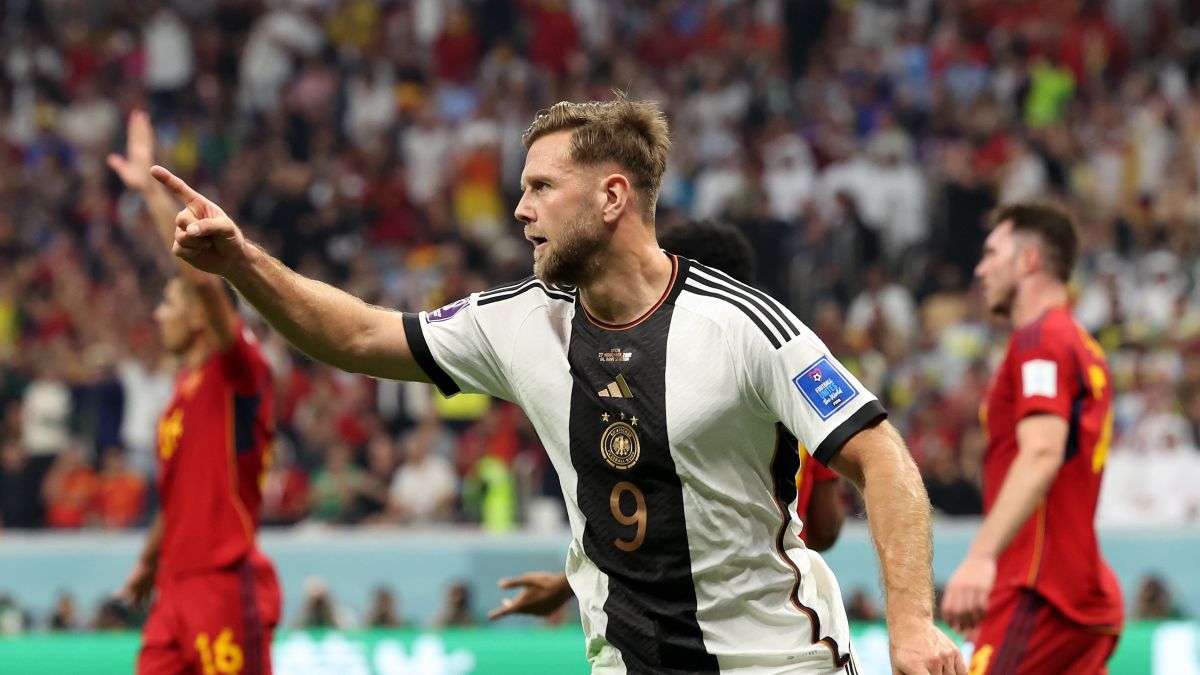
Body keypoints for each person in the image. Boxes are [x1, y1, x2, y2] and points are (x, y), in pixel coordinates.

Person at [151, 96, 963, 674]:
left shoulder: (746, 324)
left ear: (613, 196)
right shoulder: (519, 320)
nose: (518, 208)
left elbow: (884, 459)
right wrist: (242, 263)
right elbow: (360, 333)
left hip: (772, 663)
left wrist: (912, 623)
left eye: (541, 186)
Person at [488, 218, 847, 625]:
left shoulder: (659, 400)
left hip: (679, 623)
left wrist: (562, 586)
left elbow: (640, 534)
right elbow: (827, 527)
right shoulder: (786, 374)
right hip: (786, 614)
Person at [109, 110, 281, 675]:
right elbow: (178, 496)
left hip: (223, 583)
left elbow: (201, 280)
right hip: (173, 588)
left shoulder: (239, 371)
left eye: (170, 303)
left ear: (202, 319)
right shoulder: (180, 394)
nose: (160, 314)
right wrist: (148, 561)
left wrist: (154, 201)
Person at [940, 203, 1123, 673]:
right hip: (1075, 592)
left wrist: (981, 559)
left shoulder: (1040, 341)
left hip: (1040, 589)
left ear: (1029, 261)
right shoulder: (1081, 345)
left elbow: (1042, 452)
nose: (980, 269)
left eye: (992, 253)